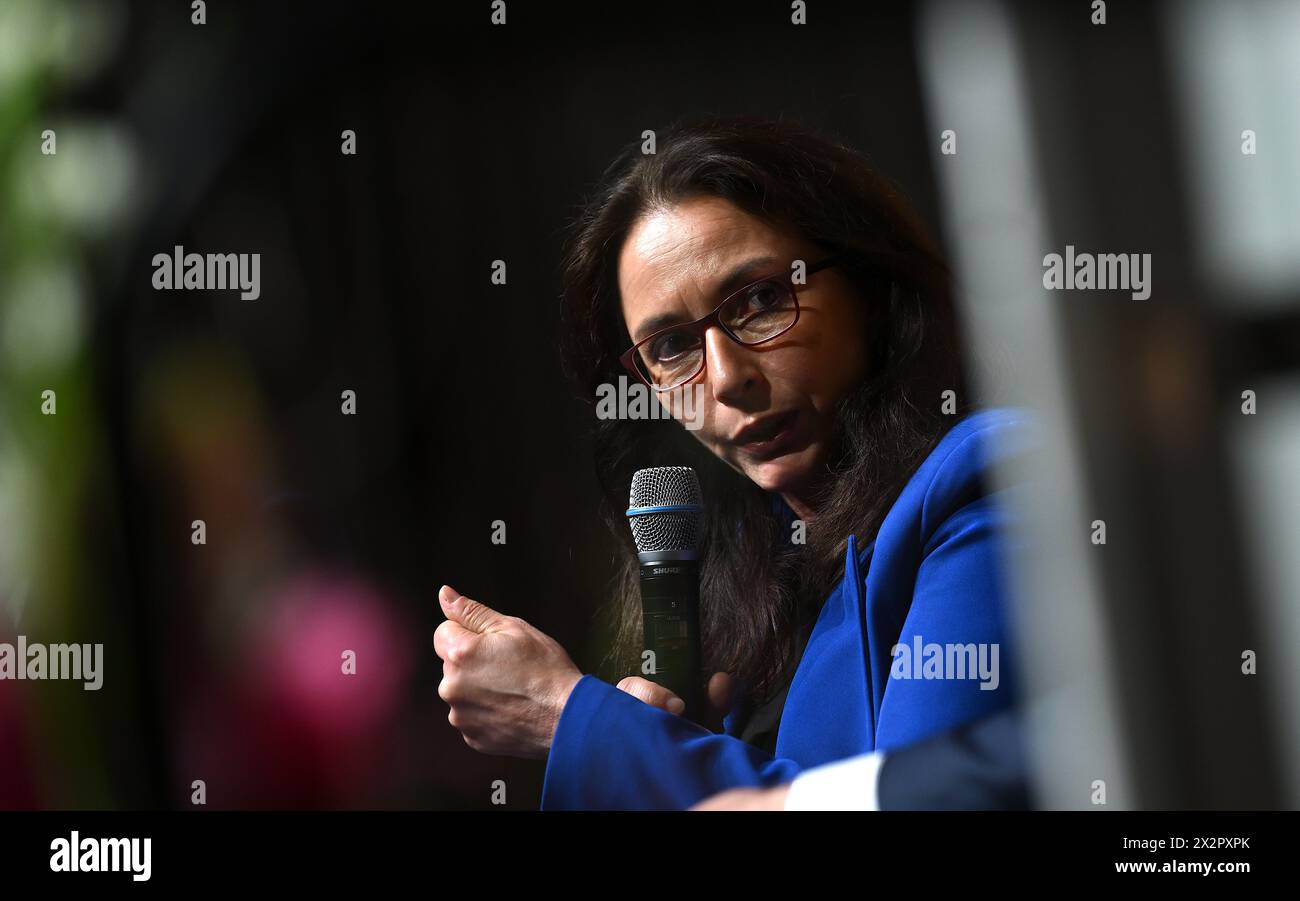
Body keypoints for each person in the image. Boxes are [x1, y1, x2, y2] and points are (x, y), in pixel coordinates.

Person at [433, 115, 1035, 809]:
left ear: (870, 288)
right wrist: (660, 746)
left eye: (759, 301)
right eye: (670, 347)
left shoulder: (984, 482)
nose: (724, 377)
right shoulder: (756, 573)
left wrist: (571, 716)